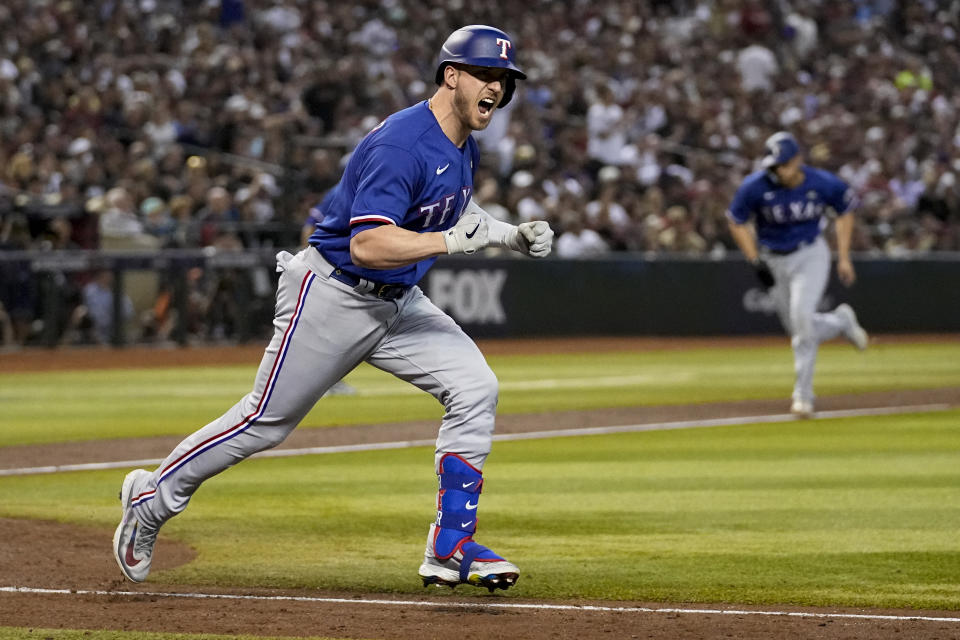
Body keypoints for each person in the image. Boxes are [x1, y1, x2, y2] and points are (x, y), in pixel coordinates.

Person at [113, 24, 553, 593]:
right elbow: (369, 243)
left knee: (475, 387)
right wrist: (453, 243)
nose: (497, 88)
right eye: (486, 75)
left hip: (397, 304)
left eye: (504, 80)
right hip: (334, 293)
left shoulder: (462, 143)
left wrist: (506, 235)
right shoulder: (403, 143)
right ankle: (152, 499)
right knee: (262, 423)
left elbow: (446, 219)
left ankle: (451, 546)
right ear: (451, 75)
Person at [726, 131, 869, 418]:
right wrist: (755, 261)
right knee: (797, 327)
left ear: (798, 160)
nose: (778, 171)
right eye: (774, 166)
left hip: (810, 254)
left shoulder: (822, 182)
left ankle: (803, 395)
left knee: (802, 318)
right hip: (773, 258)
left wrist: (843, 256)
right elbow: (736, 221)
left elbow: (845, 211)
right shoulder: (755, 186)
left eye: (784, 164)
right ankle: (839, 322)